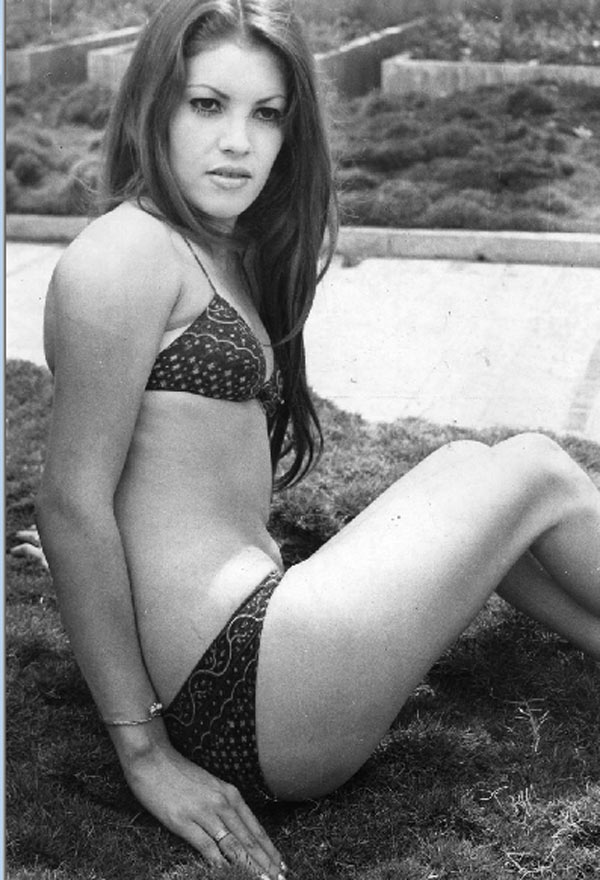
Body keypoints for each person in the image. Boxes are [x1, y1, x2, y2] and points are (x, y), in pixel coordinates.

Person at [32, 0, 599, 877]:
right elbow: (71, 501)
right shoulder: (122, 255)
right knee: (538, 470)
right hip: (244, 684)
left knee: (473, 480)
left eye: (266, 114)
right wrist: (145, 755)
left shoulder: (210, 249)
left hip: (253, 670)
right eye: (207, 104)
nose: (238, 142)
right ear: (153, 108)